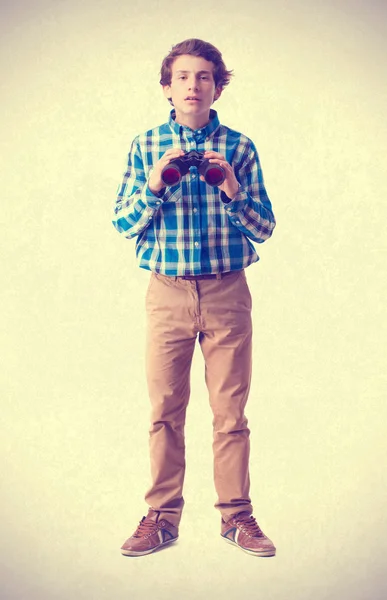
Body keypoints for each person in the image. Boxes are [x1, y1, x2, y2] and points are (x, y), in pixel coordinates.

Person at [112, 38, 276, 558]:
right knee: (165, 409)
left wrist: (231, 188)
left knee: (231, 413)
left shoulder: (241, 148)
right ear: (167, 87)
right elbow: (122, 222)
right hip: (167, 291)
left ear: (217, 85)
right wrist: (157, 183)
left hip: (228, 290)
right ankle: (161, 517)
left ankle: (237, 517)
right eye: (182, 76)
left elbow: (265, 226)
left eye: (204, 76)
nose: (193, 85)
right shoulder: (144, 146)